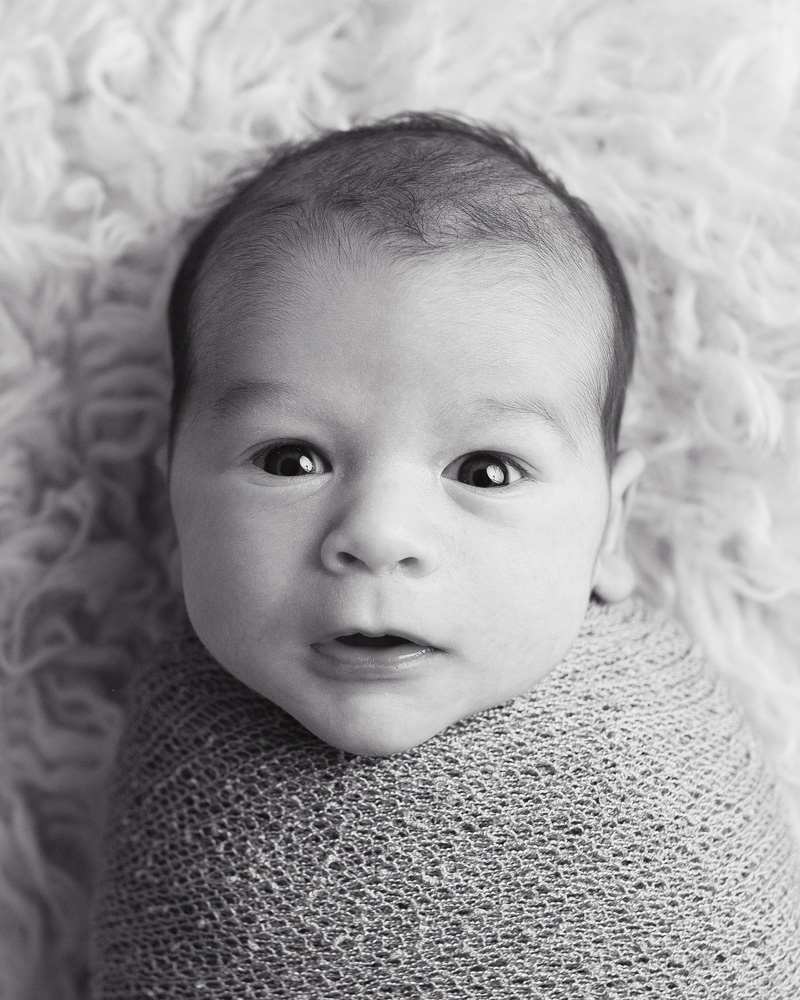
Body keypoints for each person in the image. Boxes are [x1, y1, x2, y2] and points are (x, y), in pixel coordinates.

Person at [88, 113, 800, 997]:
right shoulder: (177, 766)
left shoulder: (665, 788)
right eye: (291, 460)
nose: (379, 533)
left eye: (486, 470)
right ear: (175, 497)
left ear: (609, 527)